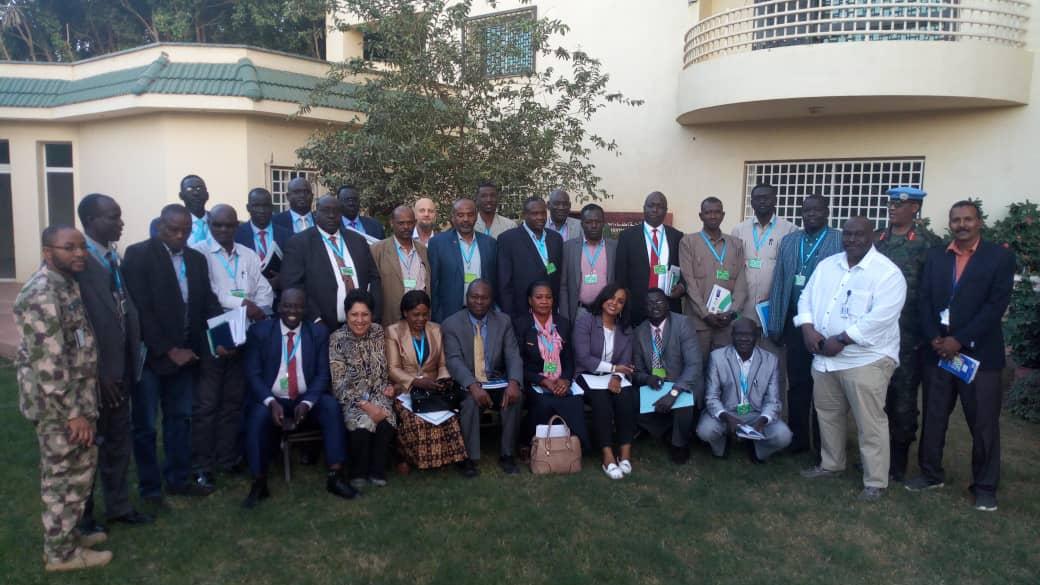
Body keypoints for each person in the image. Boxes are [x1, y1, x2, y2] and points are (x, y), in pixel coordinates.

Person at [906, 200, 1016, 512]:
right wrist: (934, 337)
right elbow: (924, 299)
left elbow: (995, 306)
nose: (962, 225)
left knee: (983, 424)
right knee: (934, 416)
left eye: (968, 219)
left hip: (979, 356)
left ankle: (984, 487)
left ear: (979, 222)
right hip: (938, 351)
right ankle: (930, 474)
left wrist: (960, 339)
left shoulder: (999, 257)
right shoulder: (937, 255)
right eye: (956, 220)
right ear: (950, 223)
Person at [15, 225, 112, 571]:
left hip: (77, 399)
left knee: (79, 472)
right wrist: (73, 414)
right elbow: (50, 364)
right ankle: (60, 554)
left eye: (82, 247)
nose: (79, 253)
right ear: (47, 252)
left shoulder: (66, 283)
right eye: (69, 248)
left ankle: (67, 537)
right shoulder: (42, 293)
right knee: (61, 476)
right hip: (59, 408)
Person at [796, 216, 906, 501]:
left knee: (870, 422)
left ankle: (875, 481)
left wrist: (843, 339)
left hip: (865, 359)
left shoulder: (887, 273)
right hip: (825, 357)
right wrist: (807, 328)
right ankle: (831, 464)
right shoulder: (827, 265)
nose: (852, 240)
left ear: (873, 236)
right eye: (847, 234)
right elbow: (806, 297)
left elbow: (881, 318)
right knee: (828, 414)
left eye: (859, 234)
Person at [123, 204, 223, 503]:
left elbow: (207, 302)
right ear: (160, 226)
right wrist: (168, 350)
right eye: (173, 230)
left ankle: (178, 479)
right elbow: (141, 309)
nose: (180, 235)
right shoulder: (138, 255)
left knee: (180, 419)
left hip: (186, 355)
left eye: (186, 230)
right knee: (145, 425)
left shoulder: (195, 259)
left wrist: (220, 337)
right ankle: (150, 488)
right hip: (152, 357)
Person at [74, 194, 152, 535]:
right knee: (90, 446)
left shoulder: (111, 257)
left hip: (122, 368)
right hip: (97, 374)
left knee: (119, 440)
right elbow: (81, 328)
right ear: (91, 220)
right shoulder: (79, 264)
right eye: (113, 217)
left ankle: (119, 506)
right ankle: (83, 516)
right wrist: (100, 372)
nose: (121, 223)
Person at [241, 288, 357, 508]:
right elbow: (253, 374)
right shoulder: (260, 332)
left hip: (305, 399)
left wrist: (306, 403)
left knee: (331, 407)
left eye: (297, 306)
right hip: (272, 399)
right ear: (279, 307)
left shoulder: (318, 333)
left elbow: (323, 374)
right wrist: (270, 402)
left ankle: (336, 475)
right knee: (256, 416)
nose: (292, 311)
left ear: (304, 309)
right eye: (287, 306)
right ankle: (259, 482)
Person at [190, 204, 274, 489]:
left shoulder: (247, 254)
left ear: (237, 225)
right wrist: (242, 303)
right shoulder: (199, 253)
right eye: (218, 225)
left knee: (233, 401)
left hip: (245, 333)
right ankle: (202, 465)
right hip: (215, 332)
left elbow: (264, 290)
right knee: (208, 403)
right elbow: (208, 293)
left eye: (229, 225)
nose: (224, 230)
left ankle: (227, 458)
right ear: (209, 225)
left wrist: (256, 307)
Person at [873, 187, 942, 481]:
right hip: (875, 332)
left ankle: (898, 461)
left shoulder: (929, 244)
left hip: (908, 336)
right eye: (890, 204)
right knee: (875, 397)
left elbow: (935, 290)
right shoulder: (877, 239)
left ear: (914, 208)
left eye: (899, 205)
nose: (892, 209)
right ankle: (874, 455)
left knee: (902, 399)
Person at [767, 194, 843, 457]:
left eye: (817, 210)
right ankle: (798, 439)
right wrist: (775, 324)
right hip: (795, 322)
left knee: (826, 385)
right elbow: (779, 283)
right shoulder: (790, 241)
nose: (811, 214)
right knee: (798, 382)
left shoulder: (839, 240)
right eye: (806, 210)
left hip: (826, 325)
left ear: (826, 212)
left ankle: (824, 443)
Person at [442, 279, 525, 477]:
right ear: (467, 298)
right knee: (471, 401)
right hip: (467, 381)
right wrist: (472, 385)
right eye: (474, 297)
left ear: (491, 300)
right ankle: (467, 459)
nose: (479, 301)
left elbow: (513, 354)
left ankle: (507, 455)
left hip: (495, 379)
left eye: (484, 298)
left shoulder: (503, 321)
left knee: (515, 397)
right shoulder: (451, 324)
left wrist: (514, 382)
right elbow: (453, 360)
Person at [385, 290, 468, 470]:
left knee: (449, 418)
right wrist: (416, 382)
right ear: (405, 313)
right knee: (416, 420)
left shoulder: (436, 329)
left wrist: (442, 382)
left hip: (432, 388)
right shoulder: (393, 331)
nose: (421, 319)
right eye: (416, 315)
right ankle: (408, 457)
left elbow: (443, 364)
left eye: (425, 314)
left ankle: (448, 459)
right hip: (404, 390)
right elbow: (393, 369)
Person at [696, 318, 792, 462]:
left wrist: (763, 420)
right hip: (726, 412)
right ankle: (721, 446)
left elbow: (773, 400)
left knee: (784, 436)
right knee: (705, 431)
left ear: (757, 336)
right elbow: (711, 397)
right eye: (739, 334)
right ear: (732, 335)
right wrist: (726, 417)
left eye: (749, 335)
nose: (744, 339)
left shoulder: (770, 360)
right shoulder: (717, 357)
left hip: (756, 414)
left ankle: (758, 450)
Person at [330, 289, 397, 490]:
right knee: (362, 422)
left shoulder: (378, 332)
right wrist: (366, 406)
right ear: (346, 315)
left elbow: (387, 367)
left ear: (371, 315)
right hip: (352, 397)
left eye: (365, 314)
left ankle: (377, 471)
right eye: (354, 314)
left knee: (385, 420)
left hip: (379, 393)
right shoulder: (337, 338)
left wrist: (391, 387)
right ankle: (358, 472)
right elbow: (339, 383)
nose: (360, 320)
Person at [281, 195, 382, 327]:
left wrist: (374, 313)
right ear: (316, 213)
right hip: (322, 325)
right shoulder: (299, 243)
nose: (331, 215)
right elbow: (293, 284)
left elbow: (374, 278)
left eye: (336, 211)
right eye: (326, 211)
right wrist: (315, 319)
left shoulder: (357, 240)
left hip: (362, 324)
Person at [514, 281, 590, 450]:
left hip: (559, 379)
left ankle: (573, 446)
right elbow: (518, 363)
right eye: (539, 297)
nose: (544, 301)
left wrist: (565, 380)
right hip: (534, 381)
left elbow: (569, 359)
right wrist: (542, 381)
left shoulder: (563, 323)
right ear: (530, 300)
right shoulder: (521, 324)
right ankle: (529, 443)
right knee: (543, 402)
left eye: (548, 297)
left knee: (575, 400)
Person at [572, 283, 637, 479]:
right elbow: (583, 357)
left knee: (626, 396)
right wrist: (614, 369)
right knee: (601, 400)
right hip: (586, 375)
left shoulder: (625, 329)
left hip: (612, 376)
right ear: (603, 298)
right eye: (611, 298)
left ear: (624, 306)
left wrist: (617, 377)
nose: (614, 303)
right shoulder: (586, 321)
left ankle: (625, 453)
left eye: (620, 301)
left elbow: (625, 360)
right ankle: (607, 455)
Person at [632, 288, 703, 464]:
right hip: (655, 384)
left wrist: (674, 392)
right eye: (649, 303)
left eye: (659, 302)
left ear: (667, 304)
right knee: (629, 399)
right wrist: (647, 379)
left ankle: (679, 444)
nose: (654, 306)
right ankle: (666, 430)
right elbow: (637, 371)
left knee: (684, 401)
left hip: (682, 382)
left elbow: (694, 364)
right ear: (644, 308)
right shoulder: (639, 332)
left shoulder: (683, 324)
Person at [680, 197, 749, 359]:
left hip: (726, 323)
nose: (713, 216)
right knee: (697, 367)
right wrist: (705, 314)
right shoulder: (688, 242)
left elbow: (741, 283)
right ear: (701, 216)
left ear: (723, 215)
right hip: (698, 323)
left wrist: (732, 313)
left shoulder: (736, 244)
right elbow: (689, 282)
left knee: (723, 367)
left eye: (717, 212)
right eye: (708, 212)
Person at [731, 183, 797, 349]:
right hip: (744, 307)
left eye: (766, 198)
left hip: (772, 307)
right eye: (758, 198)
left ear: (775, 200)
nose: (762, 201)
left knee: (771, 355)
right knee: (744, 352)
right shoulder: (739, 230)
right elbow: (733, 266)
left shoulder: (790, 230)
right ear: (751, 202)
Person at [615, 191, 686, 325]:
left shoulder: (677, 237)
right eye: (651, 205)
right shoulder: (627, 236)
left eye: (660, 206)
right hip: (637, 308)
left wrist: (682, 287)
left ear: (666, 211)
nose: (655, 210)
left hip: (669, 305)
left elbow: (685, 270)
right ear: (644, 208)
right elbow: (621, 275)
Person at [427, 198, 497, 323]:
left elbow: (494, 281)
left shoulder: (490, 243)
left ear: (476, 216)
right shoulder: (438, 243)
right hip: (449, 315)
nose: (465, 219)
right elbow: (434, 283)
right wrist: (437, 317)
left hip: (483, 314)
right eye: (460, 215)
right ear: (453, 217)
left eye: (470, 215)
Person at [497, 196, 564, 319]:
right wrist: (509, 316)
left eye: (543, 213)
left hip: (550, 312)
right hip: (521, 312)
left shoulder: (556, 238)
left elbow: (557, 275)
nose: (540, 217)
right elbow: (504, 283)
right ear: (524, 215)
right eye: (535, 213)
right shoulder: (508, 240)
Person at [372, 206, 431, 326]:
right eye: (401, 223)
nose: (406, 227)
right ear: (392, 223)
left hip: (421, 318)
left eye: (409, 223)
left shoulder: (424, 251)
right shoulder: (378, 250)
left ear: (415, 223)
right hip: (391, 317)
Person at [559, 203, 617, 325]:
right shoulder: (569, 247)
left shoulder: (614, 247)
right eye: (588, 222)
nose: (594, 225)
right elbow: (563, 286)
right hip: (579, 311)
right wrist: (565, 317)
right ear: (582, 224)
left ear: (604, 223)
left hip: (606, 311)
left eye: (598, 221)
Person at [235, 187, 291, 293]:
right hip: (249, 296)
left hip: (280, 296)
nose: (261, 211)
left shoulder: (288, 235)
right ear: (248, 208)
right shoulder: (236, 235)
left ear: (272, 207)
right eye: (256, 206)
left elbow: (294, 267)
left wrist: (282, 279)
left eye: (266, 206)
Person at [148, 175, 213, 246]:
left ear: (207, 195)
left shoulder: (218, 221)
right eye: (189, 189)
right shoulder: (162, 223)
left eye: (199, 188)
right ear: (181, 196)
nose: (195, 193)